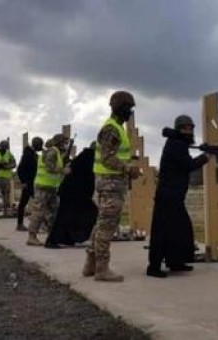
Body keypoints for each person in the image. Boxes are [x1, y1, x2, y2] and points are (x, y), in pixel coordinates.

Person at [82, 90, 140, 282]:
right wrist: (127, 168)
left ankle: (90, 264)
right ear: (121, 108)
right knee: (107, 226)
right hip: (110, 183)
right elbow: (107, 157)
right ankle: (102, 269)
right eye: (129, 109)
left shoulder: (116, 128)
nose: (130, 113)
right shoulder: (112, 129)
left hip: (110, 182)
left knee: (101, 224)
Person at [146, 115, 209, 278]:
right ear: (178, 129)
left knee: (179, 230)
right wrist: (206, 156)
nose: (188, 131)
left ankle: (175, 262)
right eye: (184, 128)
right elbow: (189, 165)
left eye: (190, 128)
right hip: (168, 196)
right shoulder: (176, 144)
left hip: (173, 196)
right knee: (162, 232)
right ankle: (154, 267)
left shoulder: (178, 143)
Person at [45, 145, 98, 248]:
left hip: (74, 193)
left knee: (69, 216)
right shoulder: (89, 158)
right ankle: (53, 240)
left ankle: (67, 238)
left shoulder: (85, 157)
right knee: (65, 216)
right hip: (74, 193)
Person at [26, 134, 68, 246]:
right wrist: (63, 170)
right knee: (39, 212)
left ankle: (52, 236)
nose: (66, 145)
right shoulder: (52, 152)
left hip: (51, 187)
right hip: (43, 186)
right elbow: (49, 168)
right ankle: (32, 236)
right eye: (64, 142)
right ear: (59, 142)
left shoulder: (56, 153)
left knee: (53, 212)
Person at [16, 136, 43, 231]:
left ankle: (22, 224)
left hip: (33, 182)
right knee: (26, 203)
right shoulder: (27, 155)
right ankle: (20, 224)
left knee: (34, 203)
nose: (41, 147)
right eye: (40, 145)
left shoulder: (33, 155)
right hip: (28, 183)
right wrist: (23, 181)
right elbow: (20, 169)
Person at [0, 140, 16, 216]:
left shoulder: (9, 154)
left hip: (6, 177)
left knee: (6, 195)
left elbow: (14, 164)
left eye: (5, 146)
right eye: (3, 146)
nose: (4, 148)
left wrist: (7, 166)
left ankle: (5, 212)